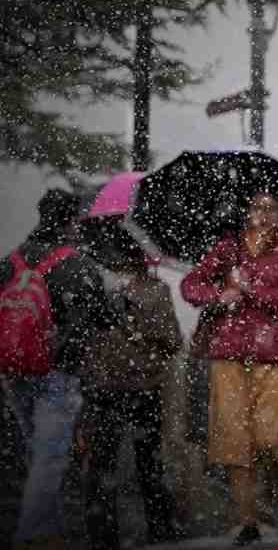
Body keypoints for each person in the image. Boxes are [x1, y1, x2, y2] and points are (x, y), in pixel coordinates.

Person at [180, 191, 278, 546]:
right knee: (234, 441)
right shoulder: (226, 251)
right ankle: (247, 520)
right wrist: (217, 295)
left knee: (270, 436)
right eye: (256, 207)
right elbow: (190, 285)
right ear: (246, 213)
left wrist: (250, 290)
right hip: (228, 355)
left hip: (275, 356)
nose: (263, 215)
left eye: (271, 208)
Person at [1, 189, 110, 550]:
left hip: (14, 368)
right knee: (50, 455)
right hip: (56, 370)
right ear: (71, 221)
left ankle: (49, 533)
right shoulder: (75, 263)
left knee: (41, 452)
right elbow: (105, 317)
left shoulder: (11, 260)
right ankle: (30, 535)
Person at [81, 245, 184, 548]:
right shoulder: (156, 290)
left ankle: (102, 535)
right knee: (149, 462)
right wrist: (147, 342)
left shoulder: (96, 290)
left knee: (102, 463)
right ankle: (160, 529)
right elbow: (173, 341)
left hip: (104, 387)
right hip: (144, 386)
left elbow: (85, 340)